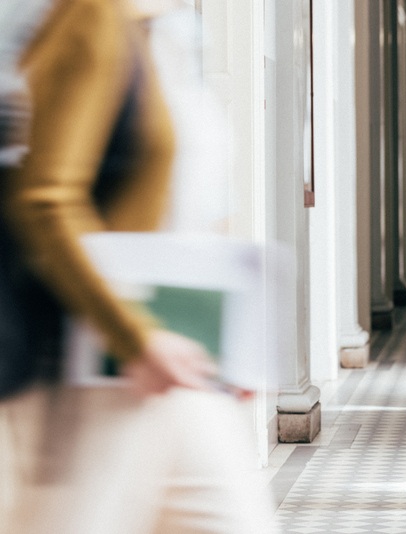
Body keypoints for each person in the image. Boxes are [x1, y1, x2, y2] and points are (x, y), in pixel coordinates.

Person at [0, 0, 275, 532]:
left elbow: (187, 213)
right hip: (97, 358)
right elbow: (45, 198)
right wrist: (135, 338)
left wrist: (230, 341)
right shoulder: (92, 16)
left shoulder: (169, 33)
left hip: (172, 356)